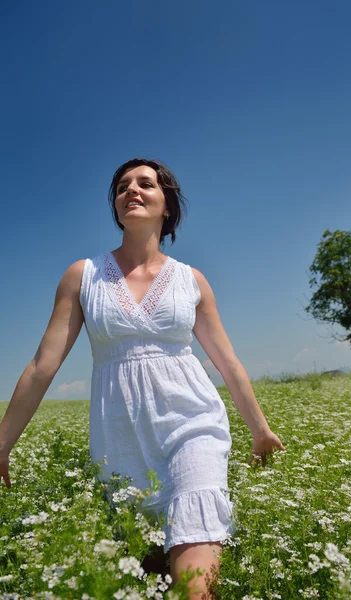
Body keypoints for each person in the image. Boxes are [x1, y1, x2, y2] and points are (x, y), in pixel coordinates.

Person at [0, 157, 286, 599]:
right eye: (121, 187)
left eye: (145, 184)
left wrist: (260, 430)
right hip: (122, 444)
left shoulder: (192, 281)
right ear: (115, 206)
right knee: (149, 576)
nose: (131, 190)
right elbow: (42, 366)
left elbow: (228, 363)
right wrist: (2, 444)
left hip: (193, 431)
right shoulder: (83, 276)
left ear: (166, 204)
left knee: (192, 588)